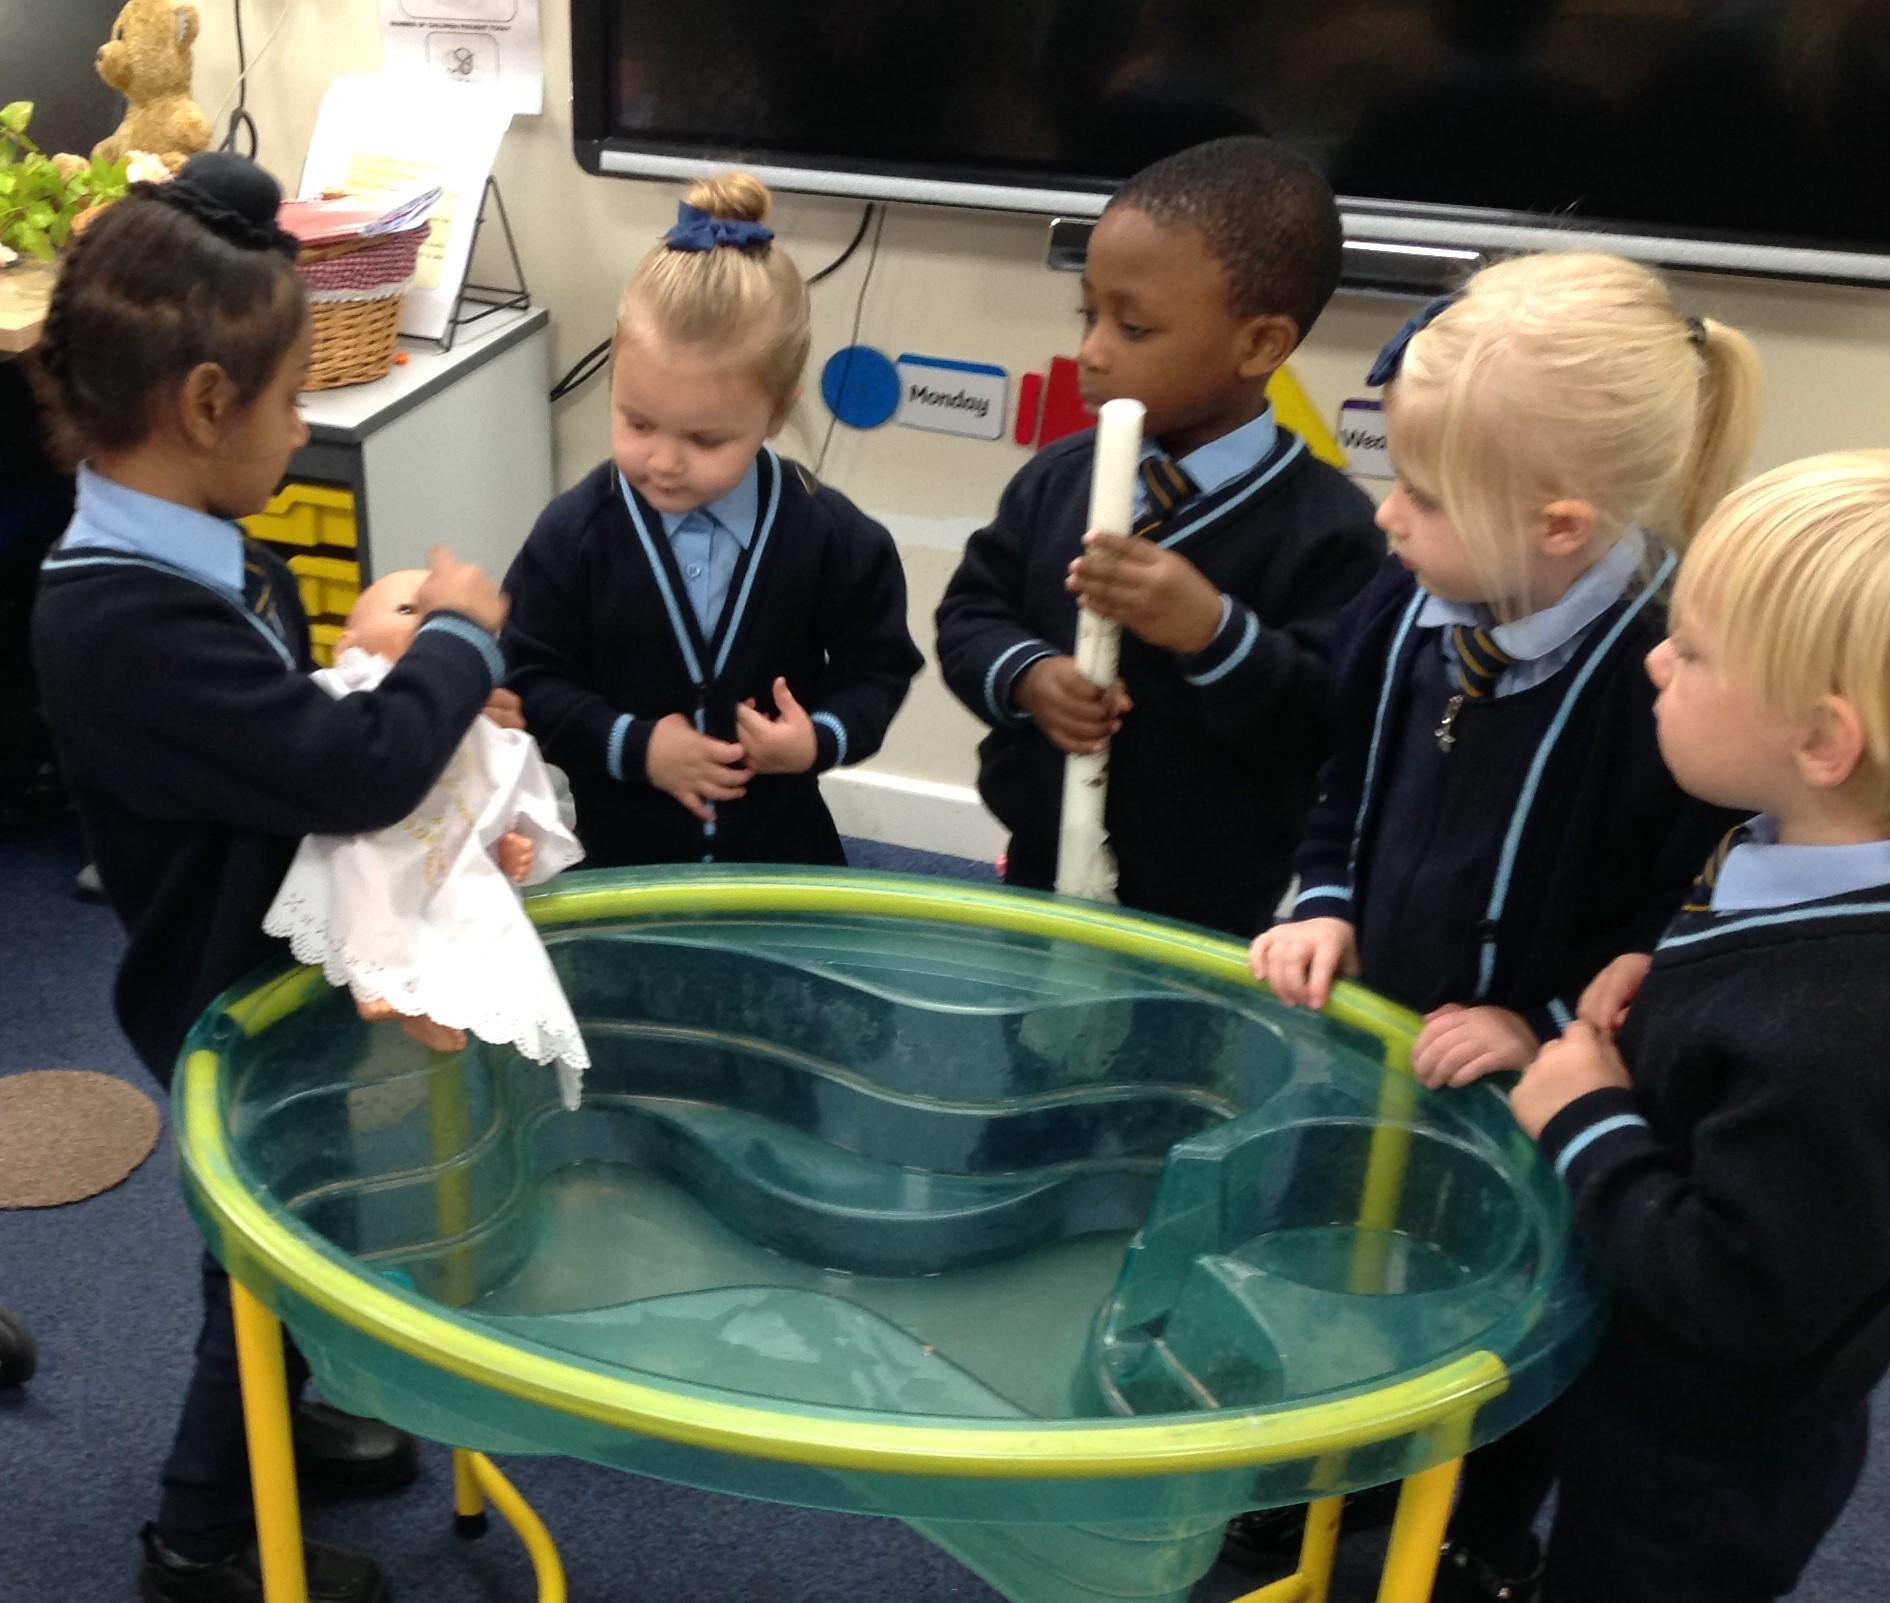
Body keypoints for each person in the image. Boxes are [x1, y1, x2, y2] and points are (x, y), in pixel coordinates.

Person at [30, 151, 511, 1603]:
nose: (302, 431)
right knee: (262, 1249)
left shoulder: (196, 552)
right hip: (213, 985)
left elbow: (275, 742)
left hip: (267, 944)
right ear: (203, 405)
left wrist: (377, 677)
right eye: (294, 402)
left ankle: (274, 1410)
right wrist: (456, 643)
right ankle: (195, 1539)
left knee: (316, 1215)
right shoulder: (117, 621)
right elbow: (347, 769)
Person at [1247, 251, 1760, 1593]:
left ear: (1559, 526)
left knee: (1502, 1305)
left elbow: (1680, 911)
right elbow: (1345, 778)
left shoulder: (1661, 676)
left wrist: (1538, 1023)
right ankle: (1310, 1481)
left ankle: (1476, 1533)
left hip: (1532, 1086)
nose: (1385, 517)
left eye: (1423, 496)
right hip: (1375, 1039)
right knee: (1339, 1255)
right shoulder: (1406, 606)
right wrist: (1325, 899)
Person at [1511, 450, 1890, 1603]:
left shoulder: (1838, 1032)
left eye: (1695, 650)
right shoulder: (1789, 841)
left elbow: (1742, 1292)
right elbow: (1748, 987)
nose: (1655, 659)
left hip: (1697, 1460)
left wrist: (1585, 1121)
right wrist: (1662, 978)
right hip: (1655, 1391)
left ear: (1823, 740)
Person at [934, 135, 1382, 937]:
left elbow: (1324, 725)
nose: (1091, 351)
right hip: (1036, 867)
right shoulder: (1058, 477)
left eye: (1134, 327)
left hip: (1207, 908)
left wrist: (1214, 632)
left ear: (1261, 344)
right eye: (1089, 314)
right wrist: (1030, 676)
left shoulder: (1331, 529)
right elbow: (970, 614)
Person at [502, 172, 922, 868]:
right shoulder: (573, 534)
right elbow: (528, 681)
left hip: (783, 866)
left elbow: (877, 668)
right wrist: (637, 746)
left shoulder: (830, 536)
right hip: (624, 869)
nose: (665, 461)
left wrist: (817, 739)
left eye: (705, 439)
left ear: (776, 414)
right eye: (638, 422)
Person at [263, 570, 589, 1108]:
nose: (429, 625)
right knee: (365, 881)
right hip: (372, 839)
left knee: (483, 918)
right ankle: (378, 984)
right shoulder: (347, 689)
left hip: (447, 853)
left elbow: (498, 777)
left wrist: (508, 836)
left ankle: (438, 1006)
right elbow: (332, 748)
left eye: (437, 612)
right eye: (408, 611)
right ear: (347, 643)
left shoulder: (464, 706)